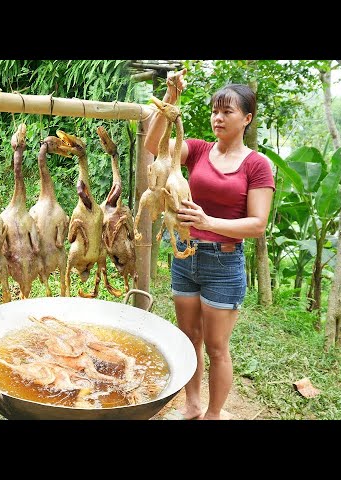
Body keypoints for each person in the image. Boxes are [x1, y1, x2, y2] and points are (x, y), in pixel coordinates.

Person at [143, 69, 275, 420]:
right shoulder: (198, 150)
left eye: (227, 111)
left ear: (246, 118)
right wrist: (169, 99)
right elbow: (153, 146)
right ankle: (192, 404)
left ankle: (214, 414)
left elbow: (258, 224)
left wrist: (208, 223)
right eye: (216, 110)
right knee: (189, 339)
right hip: (186, 257)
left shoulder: (257, 165)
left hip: (224, 262)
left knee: (217, 348)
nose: (218, 117)